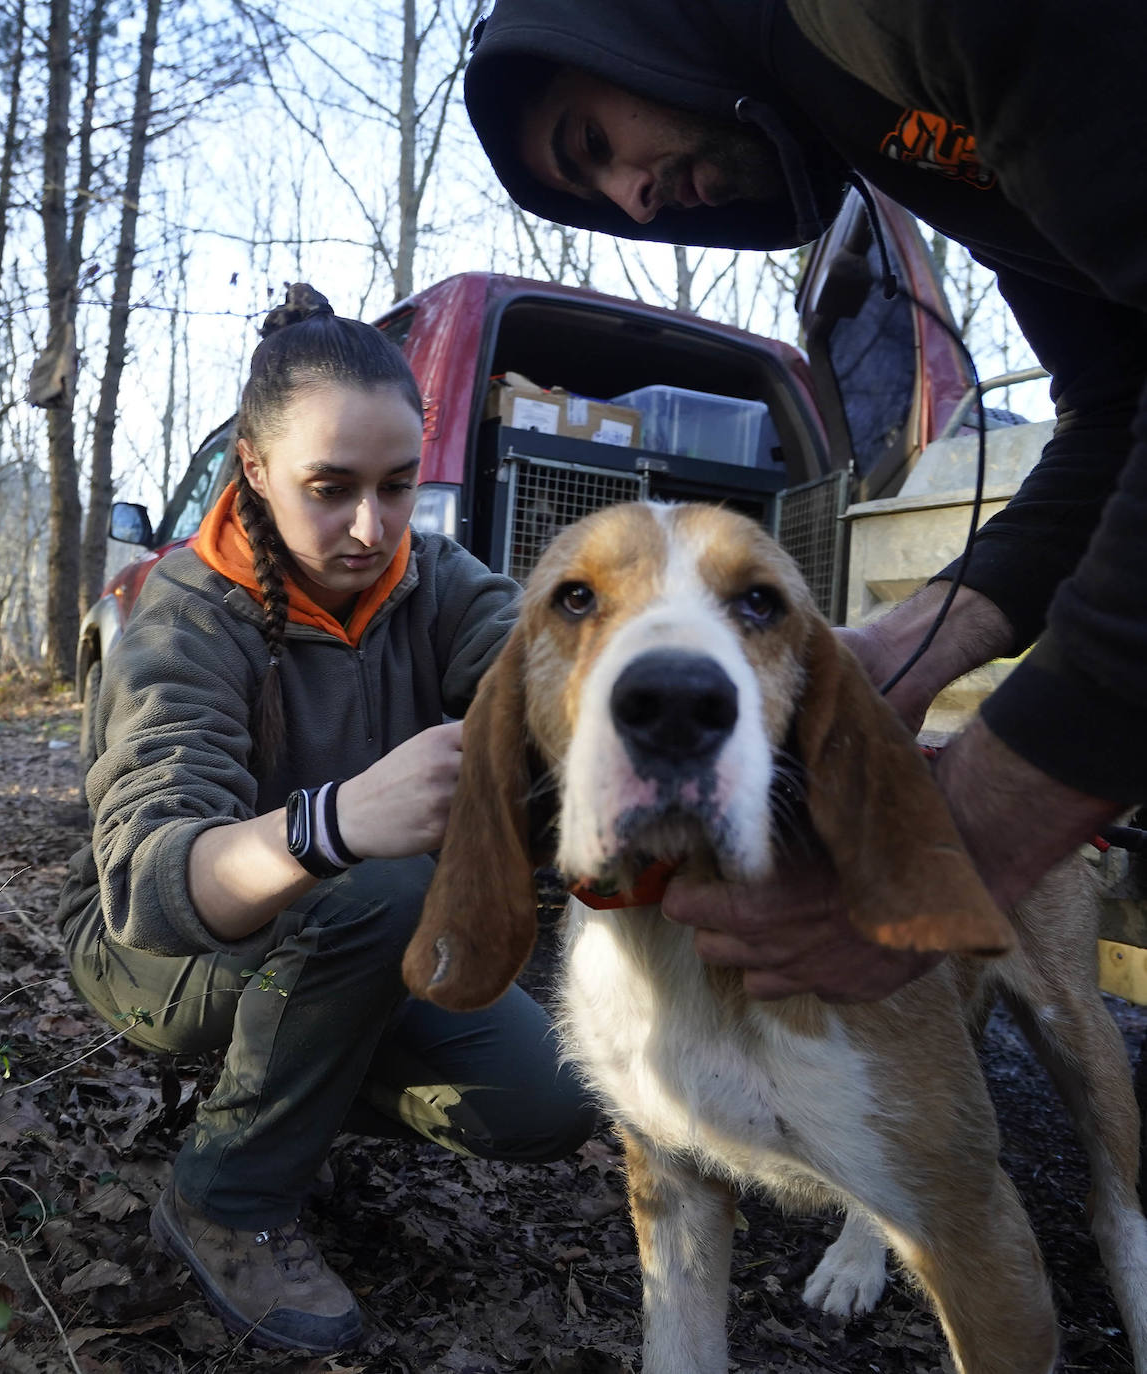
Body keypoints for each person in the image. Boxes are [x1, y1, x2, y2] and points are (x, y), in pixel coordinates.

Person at [461, 0, 1147, 999]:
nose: (634, 202)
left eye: (595, 142)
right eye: (598, 188)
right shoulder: (884, 122)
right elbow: (1116, 412)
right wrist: (911, 643)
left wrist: (948, 852)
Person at [57, 284, 595, 1354]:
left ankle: (292, 1077)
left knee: (550, 1105)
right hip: (154, 954)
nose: (369, 526)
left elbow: (542, 674)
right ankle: (226, 1195)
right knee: (382, 887)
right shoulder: (183, 616)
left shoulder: (437, 583)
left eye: (398, 486)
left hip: (349, 942)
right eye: (330, 487)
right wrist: (333, 823)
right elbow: (153, 889)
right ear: (254, 471)